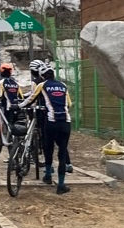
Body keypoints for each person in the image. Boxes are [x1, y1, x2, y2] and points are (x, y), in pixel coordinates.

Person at [19, 64, 73, 194]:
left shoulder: (42, 85)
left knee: (48, 148)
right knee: (62, 152)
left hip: (51, 121)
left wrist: (19, 105)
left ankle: (48, 175)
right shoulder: (63, 86)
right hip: (65, 122)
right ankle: (61, 185)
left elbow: (30, 99)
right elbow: (69, 104)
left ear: (43, 76)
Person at [0, 63, 23, 135]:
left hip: (7, 107)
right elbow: (21, 96)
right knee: (15, 126)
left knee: (7, 125)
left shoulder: (1, 83)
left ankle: (7, 140)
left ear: (1, 72)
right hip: (17, 107)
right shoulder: (16, 83)